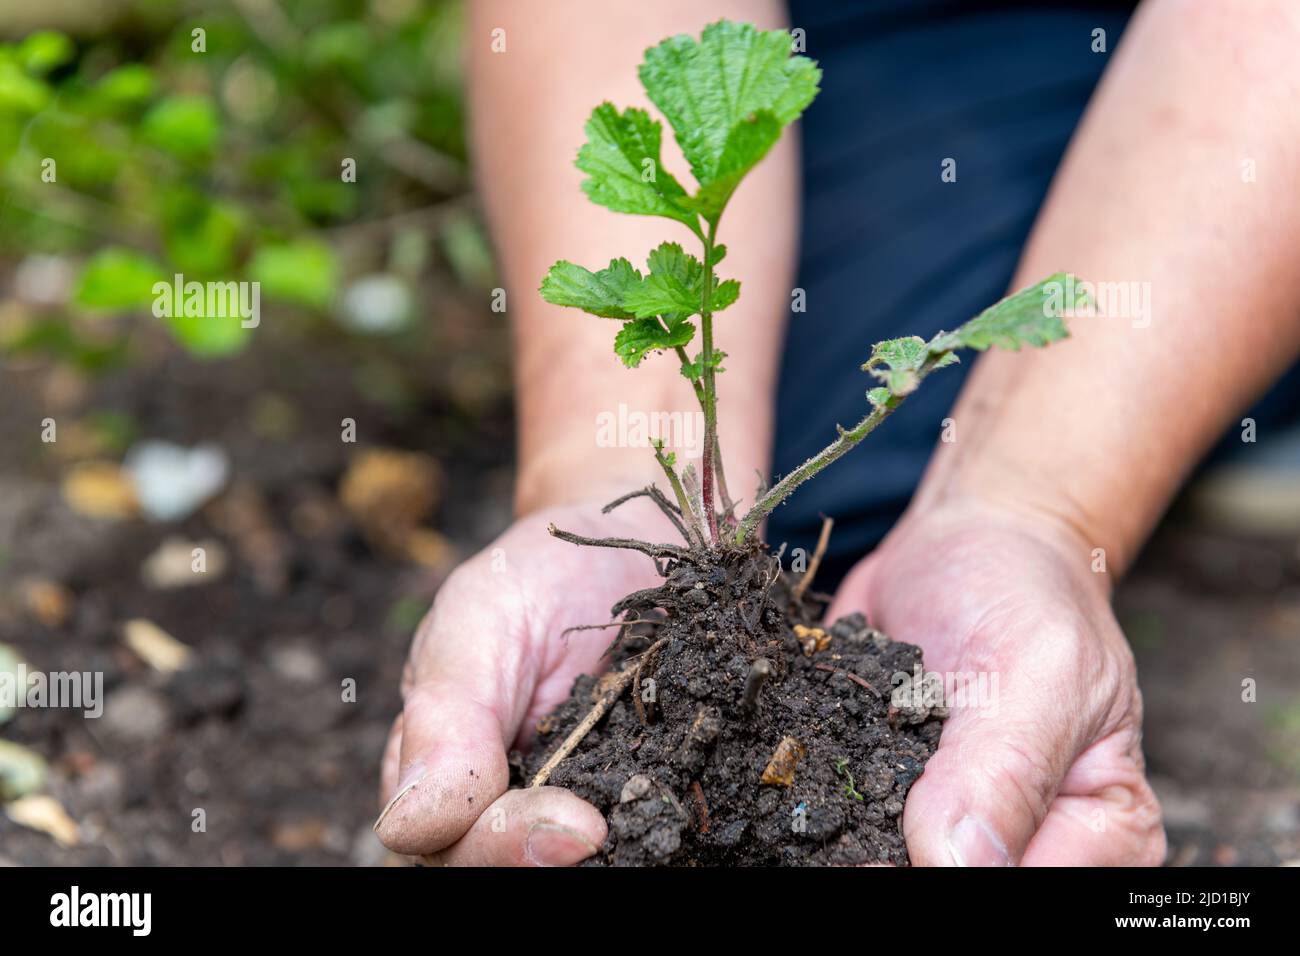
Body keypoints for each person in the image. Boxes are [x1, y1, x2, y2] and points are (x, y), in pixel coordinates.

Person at [373, 0, 1300, 866]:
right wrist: (598, 469)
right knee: (835, 451)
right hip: (876, 36)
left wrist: (1032, 511)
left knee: (934, 442)